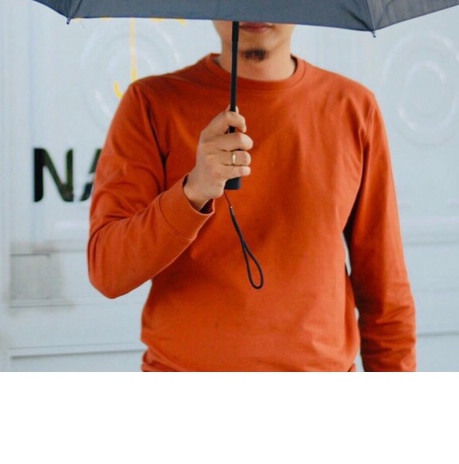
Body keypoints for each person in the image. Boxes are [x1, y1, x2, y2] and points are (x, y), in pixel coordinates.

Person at [87, 20, 416, 372]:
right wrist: (193, 191)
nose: (255, 9)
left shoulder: (353, 108)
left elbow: (385, 293)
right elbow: (109, 271)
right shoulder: (150, 103)